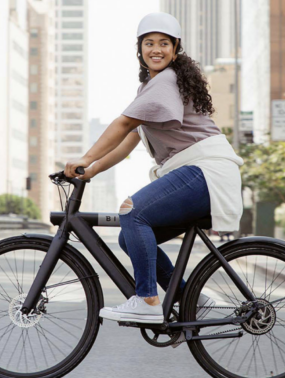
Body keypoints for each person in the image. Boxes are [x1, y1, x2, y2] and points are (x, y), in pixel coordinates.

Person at [64, 12, 243, 325]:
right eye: (149, 43)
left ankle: (147, 300)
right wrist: (91, 170)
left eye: (164, 43)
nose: (156, 49)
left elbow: (124, 123)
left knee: (132, 211)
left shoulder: (165, 81)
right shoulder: (154, 86)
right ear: (140, 49)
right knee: (128, 236)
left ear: (175, 49)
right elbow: (131, 138)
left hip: (205, 170)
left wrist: (84, 157)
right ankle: (190, 298)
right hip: (200, 171)